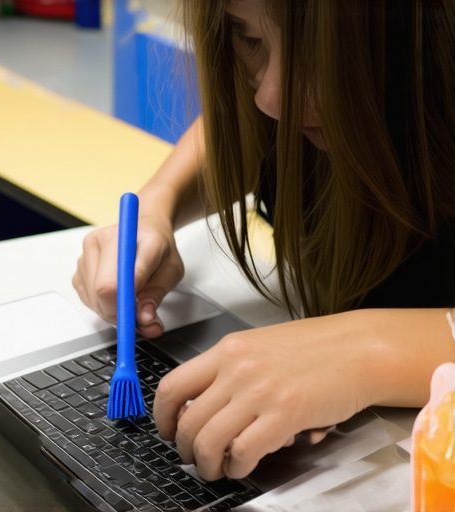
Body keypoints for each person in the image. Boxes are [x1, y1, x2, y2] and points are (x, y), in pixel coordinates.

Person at [72, 0, 455, 482]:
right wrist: (157, 205)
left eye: (316, 50)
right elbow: (238, 128)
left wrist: (363, 352)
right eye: (247, 37)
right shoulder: (281, 100)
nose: (271, 98)